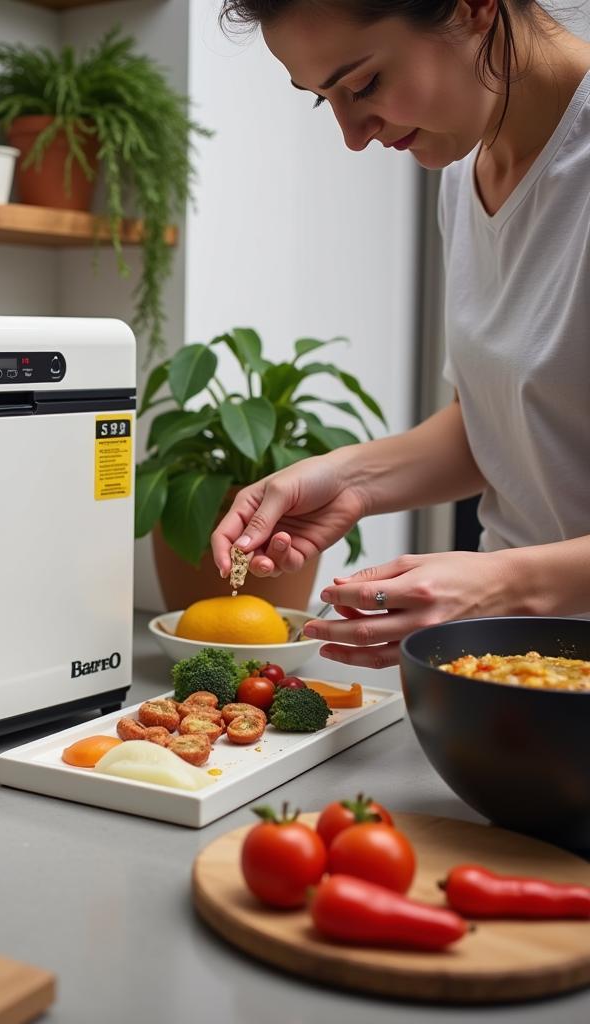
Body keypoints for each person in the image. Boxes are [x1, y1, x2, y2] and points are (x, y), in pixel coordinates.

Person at [210, 0, 590, 668]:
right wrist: (347, 480)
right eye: (319, 99)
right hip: (522, 675)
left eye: (363, 85)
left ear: (475, 9)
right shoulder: (464, 171)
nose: (353, 135)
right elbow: (504, 425)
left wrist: (505, 585)